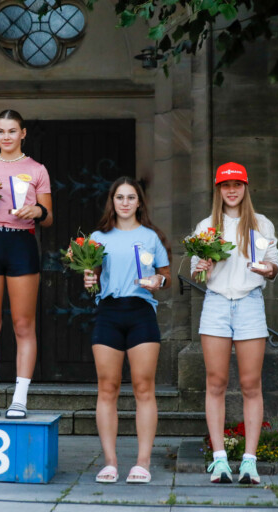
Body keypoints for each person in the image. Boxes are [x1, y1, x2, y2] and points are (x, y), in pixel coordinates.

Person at [191, 162, 278, 485]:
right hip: (215, 305)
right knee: (215, 382)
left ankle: (250, 462)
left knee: (250, 384)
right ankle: (219, 460)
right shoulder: (206, 225)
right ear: (218, 189)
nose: (232, 191)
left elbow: (274, 266)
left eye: (237, 185)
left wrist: (268, 270)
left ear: (246, 187)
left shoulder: (261, 224)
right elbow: (196, 274)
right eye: (226, 186)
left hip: (249, 305)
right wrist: (202, 266)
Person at [82, 176, 171, 484]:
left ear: (139, 202)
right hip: (109, 312)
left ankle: (142, 463)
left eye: (130, 197)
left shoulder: (150, 236)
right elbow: (90, 273)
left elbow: (165, 275)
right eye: (119, 197)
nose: (124, 202)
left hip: (141, 312)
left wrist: (158, 281)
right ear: (113, 201)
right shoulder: (98, 236)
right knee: (107, 388)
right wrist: (88, 279)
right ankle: (109, 462)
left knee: (143, 388)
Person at [0, 109, 53, 419]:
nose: (6, 136)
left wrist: (37, 212)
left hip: (21, 242)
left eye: (12, 131)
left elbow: (49, 216)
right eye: (0, 131)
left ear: (23, 133)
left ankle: (19, 399)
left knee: (23, 324)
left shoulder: (37, 169)